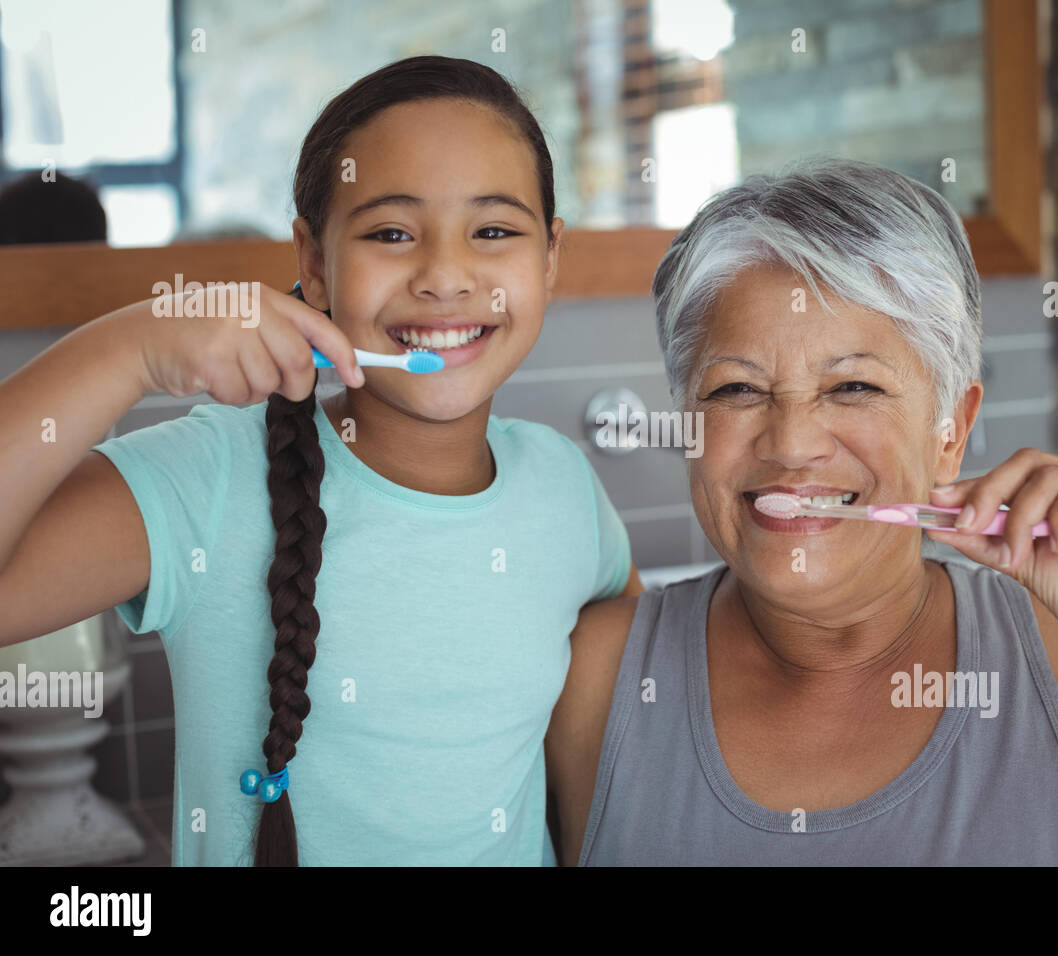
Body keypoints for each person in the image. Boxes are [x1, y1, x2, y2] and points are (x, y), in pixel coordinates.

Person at [544, 158, 1058, 866]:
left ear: (952, 430)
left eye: (854, 387)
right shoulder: (591, 680)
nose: (792, 444)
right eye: (736, 390)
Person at [0, 56, 641, 866]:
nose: (445, 276)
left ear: (548, 259)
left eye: (493, 230)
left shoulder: (565, 489)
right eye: (391, 233)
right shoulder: (213, 480)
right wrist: (130, 348)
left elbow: (639, 690)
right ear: (312, 262)